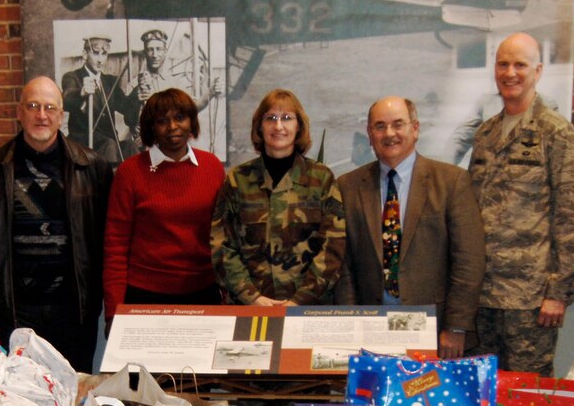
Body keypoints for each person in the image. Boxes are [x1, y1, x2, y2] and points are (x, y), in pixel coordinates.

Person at [469, 32, 574, 373]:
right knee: (481, 392)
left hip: (531, 299)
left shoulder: (558, 134)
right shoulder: (486, 135)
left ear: (537, 71)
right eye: (503, 64)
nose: (511, 73)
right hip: (483, 297)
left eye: (520, 65)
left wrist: (558, 293)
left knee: (527, 397)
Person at [0, 76, 113, 369]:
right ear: (19, 112)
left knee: (74, 395)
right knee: (19, 399)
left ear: (61, 116)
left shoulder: (92, 167)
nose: (41, 115)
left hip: (74, 310)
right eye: (33, 106)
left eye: (50, 107)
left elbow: (102, 236)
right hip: (17, 309)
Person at [336, 96, 482, 358]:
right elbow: (344, 264)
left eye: (398, 124)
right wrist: (350, 322)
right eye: (379, 126)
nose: (389, 133)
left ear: (415, 129)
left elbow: (468, 261)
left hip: (434, 329)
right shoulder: (348, 186)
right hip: (370, 326)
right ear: (370, 135)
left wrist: (456, 327)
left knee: (427, 398)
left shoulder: (451, 182)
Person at [210, 88, 346, 306]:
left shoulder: (321, 179)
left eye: (287, 118)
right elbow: (222, 246)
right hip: (250, 307)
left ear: (298, 126)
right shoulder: (237, 180)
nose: (278, 126)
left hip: (307, 309)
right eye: (270, 118)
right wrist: (252, 297)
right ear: (259, 127)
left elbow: (333, 248)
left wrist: (299, 300)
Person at [104, 87, 225, 321]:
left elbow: (224, 237)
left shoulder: (213, 167)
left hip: (203, 294)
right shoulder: (130, 173)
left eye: (180, 117)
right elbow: (115, 248)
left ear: (191, 121)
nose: (172, 127)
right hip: (145, 298)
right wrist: (113, 313)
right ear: (151, 128)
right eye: (162, 121)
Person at [62, 35, 136, 163]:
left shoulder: (110, 82)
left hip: (110, 143)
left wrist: (138, 92)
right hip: (83, 144)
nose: (100, 60)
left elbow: (127, 108)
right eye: (96, 54)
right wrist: (82, 92)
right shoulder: (73, 77)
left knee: (131, 147)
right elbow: (66, 99)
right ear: (85, 54)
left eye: (104, 54)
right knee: (110, 146)